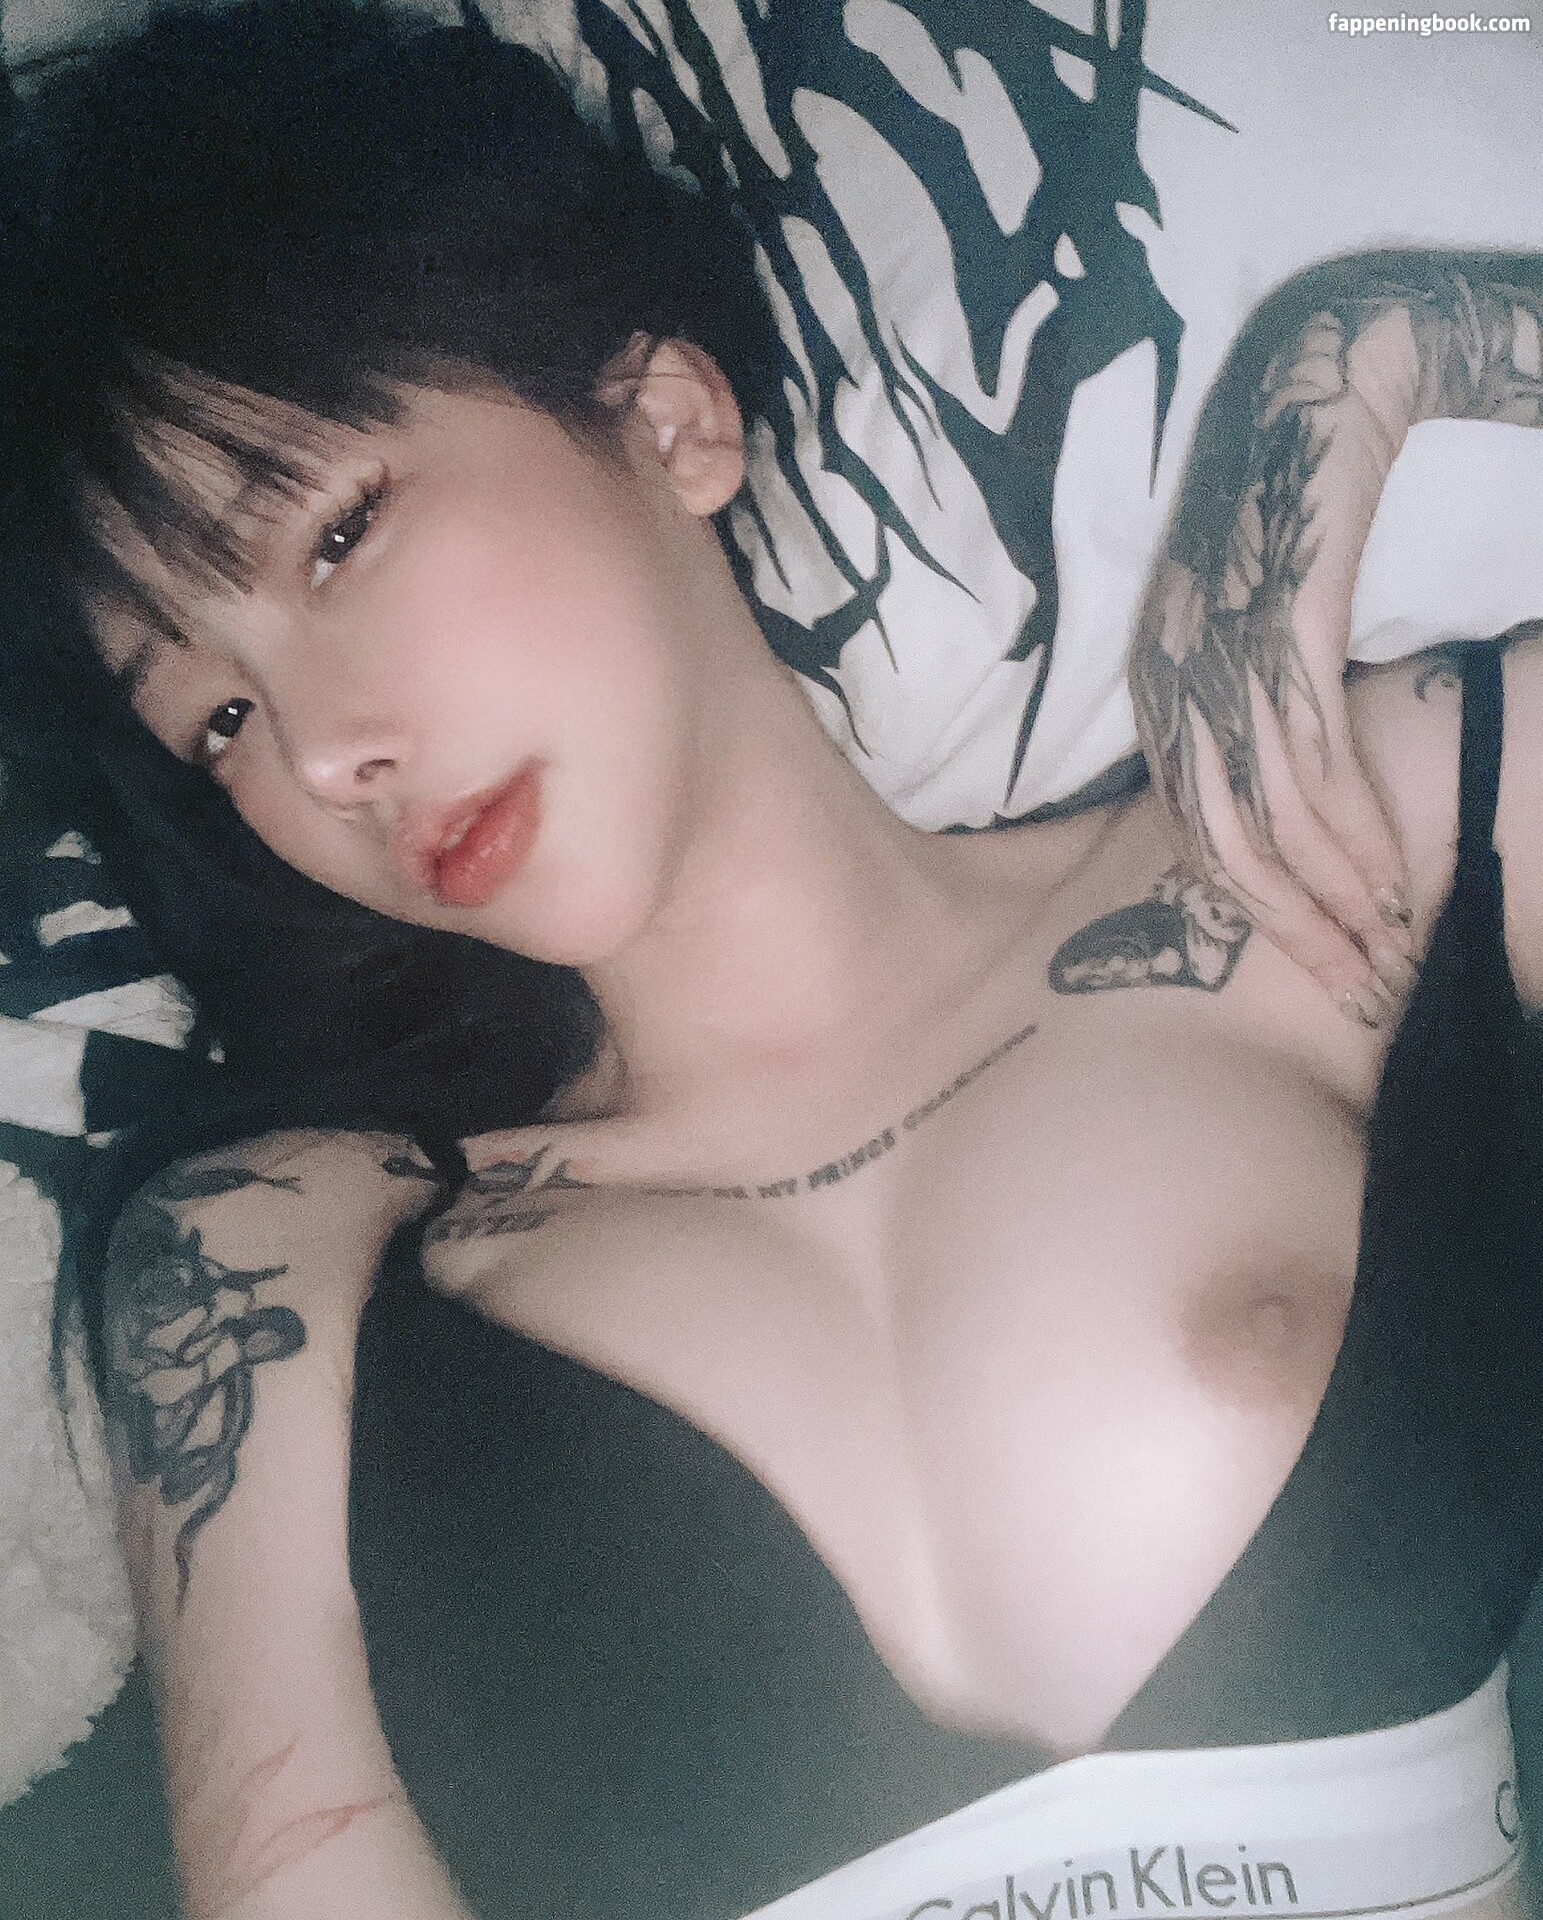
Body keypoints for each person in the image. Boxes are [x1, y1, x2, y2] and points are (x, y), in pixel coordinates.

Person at [3, 4, 1543, 1917]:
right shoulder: (266, 1253)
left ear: (666, 420)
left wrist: (1376, 358)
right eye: (215, 721)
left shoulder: (1345, 835)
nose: (325, 758)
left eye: (334, 538)